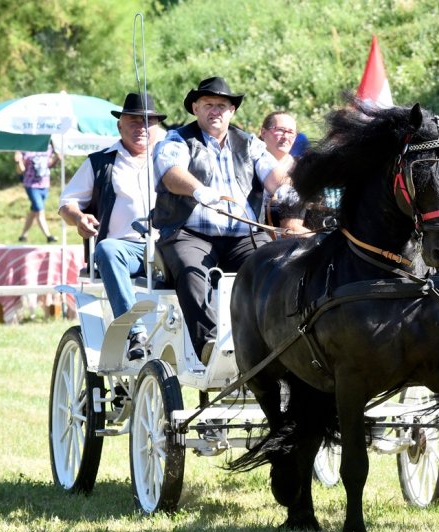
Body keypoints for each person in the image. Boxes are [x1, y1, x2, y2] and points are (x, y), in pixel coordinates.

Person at [152, 76, 295, 365]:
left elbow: (272, 176)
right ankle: (209, 346)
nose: (215, 110)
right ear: (195, 108)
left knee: (277, 269)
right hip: (189, 232)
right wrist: (199, 190)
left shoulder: (250, 144)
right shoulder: (177, 139)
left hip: (243, 237)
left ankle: (276, 343)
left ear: (232, 111)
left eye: (222, 105)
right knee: (193, 272)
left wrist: (289, 177)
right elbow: (170, 171)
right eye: (208, 104)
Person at [59, 93, 167, 361]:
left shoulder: (171, 159)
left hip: (168, 248)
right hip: (125, 249)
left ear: (156, 127)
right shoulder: (100, 162)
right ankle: (135, 332)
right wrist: (79, 218)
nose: (141, 128)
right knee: (107, 249)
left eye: (147, 122)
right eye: (133, 121)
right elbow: (67, 204)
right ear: (120, 125)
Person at [255, 111, 307, 235]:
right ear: (263, 133)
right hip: (255, 237)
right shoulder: (248, 166)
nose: (285, 137)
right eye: (280, 130)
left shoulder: (303, 170)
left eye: (290, 132)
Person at [15, 143, 61, 243]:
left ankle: (23, 235)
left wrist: (57, 158)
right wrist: (18, 162)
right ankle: (49, 236)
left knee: (34, 210)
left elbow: (50, 165)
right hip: (31, 185)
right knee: (39, 209)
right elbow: (21, 170)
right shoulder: (24, 148)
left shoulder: (49, 147)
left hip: (44, 185)